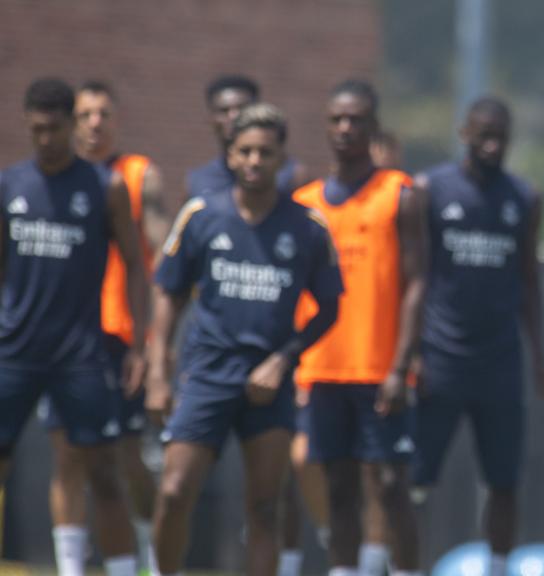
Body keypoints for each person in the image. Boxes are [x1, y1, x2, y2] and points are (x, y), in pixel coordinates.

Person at [146, 103, 343, 576]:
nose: (255, 161)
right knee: (173, 492)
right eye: (245, 151)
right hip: (207, 374)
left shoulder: (307, 227)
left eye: (265, 152)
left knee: (263, 508)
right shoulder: (201, 215)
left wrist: (283, 360)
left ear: (282, 159)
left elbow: (331, 308)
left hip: (268, 385)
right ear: (230, 156)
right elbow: (168, 293)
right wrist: (157, 370)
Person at [0, 77, 150, 576]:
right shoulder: (10, 186)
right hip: (15, 351)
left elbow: (134, 263)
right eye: (37, 129)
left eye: (54, 128)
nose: (45, 138)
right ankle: (67, 567)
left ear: (70, 126)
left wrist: (139, 345)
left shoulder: (103, 188)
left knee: (103, 469)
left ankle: (125, 569)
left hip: (80, 355)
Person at [413, 96, 544, 576]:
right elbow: (414, 279)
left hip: (499, 363)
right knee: (416, 481)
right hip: (440, 357)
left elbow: (530, 282)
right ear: (464, 133)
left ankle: (497, 567)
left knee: (504, 481)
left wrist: (538, 357)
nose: (492, 144)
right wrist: (409, 355)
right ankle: (407, 567)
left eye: (501, 136)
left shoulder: (524, 197)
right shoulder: (430, 189)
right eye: (483, 134)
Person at [292, 79, 426, 576]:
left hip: (380, 369)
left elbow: (417, 284)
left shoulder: (399, 193)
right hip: (324, 368)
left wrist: (402, 364)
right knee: (339, 488)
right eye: (337, 119)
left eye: (356, 119)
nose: (346, 128)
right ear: (327, 126)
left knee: (392, 486)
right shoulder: (304, 202)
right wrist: (295, 366)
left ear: (373, 127)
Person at [40, 79, 170, 576]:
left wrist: (152, 344)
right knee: (68, 455)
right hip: (66, 340)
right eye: (86, 113)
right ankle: (70, 566)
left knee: (127, 457)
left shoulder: (138, 176)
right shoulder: (50, 179)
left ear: (117, 119)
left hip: (121, 338)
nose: (95, 123)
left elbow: (162, 263)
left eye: (104, 113)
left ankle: (151, 552)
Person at [186, 74, 309, 198]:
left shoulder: (293, 177)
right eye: (224, 111)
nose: (233, 117)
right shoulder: (197, 182)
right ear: (210, 119)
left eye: (242, 108)